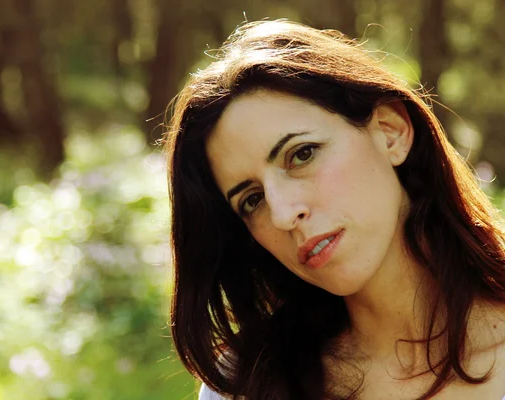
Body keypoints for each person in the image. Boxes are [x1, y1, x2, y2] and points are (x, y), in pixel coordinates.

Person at [164, 20, 505, 399]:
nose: (282, 214)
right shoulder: (244, 384)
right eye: (252, 200)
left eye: (302, 154)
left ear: (390, 131)